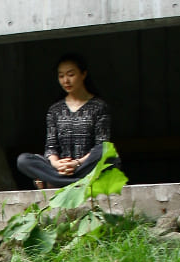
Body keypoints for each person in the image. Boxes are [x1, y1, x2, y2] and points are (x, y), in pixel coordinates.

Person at [16, 53, 115, 189]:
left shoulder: (99, 107)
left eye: (70, 75)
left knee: (106, 153)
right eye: (61, 76)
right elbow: (51, 147)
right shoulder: (55, 110)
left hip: (85, 165)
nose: (65, 81)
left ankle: (55, 182)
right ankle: (76, 183)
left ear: (83, 74)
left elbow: (101, 145)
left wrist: (77, 164)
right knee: (23, 160)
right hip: (60, 169)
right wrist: (57, 164)